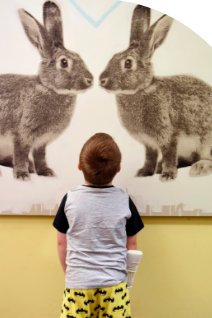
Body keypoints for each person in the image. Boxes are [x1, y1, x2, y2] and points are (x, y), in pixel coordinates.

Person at [53, 133, 144, 318]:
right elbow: (132, 246)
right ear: (118, 168)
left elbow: (62, 244)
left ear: (79, 166)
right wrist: (128, 277)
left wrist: (68, 273)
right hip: (114, 286)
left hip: (77, 285)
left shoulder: (69, 199)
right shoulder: (125, 201)